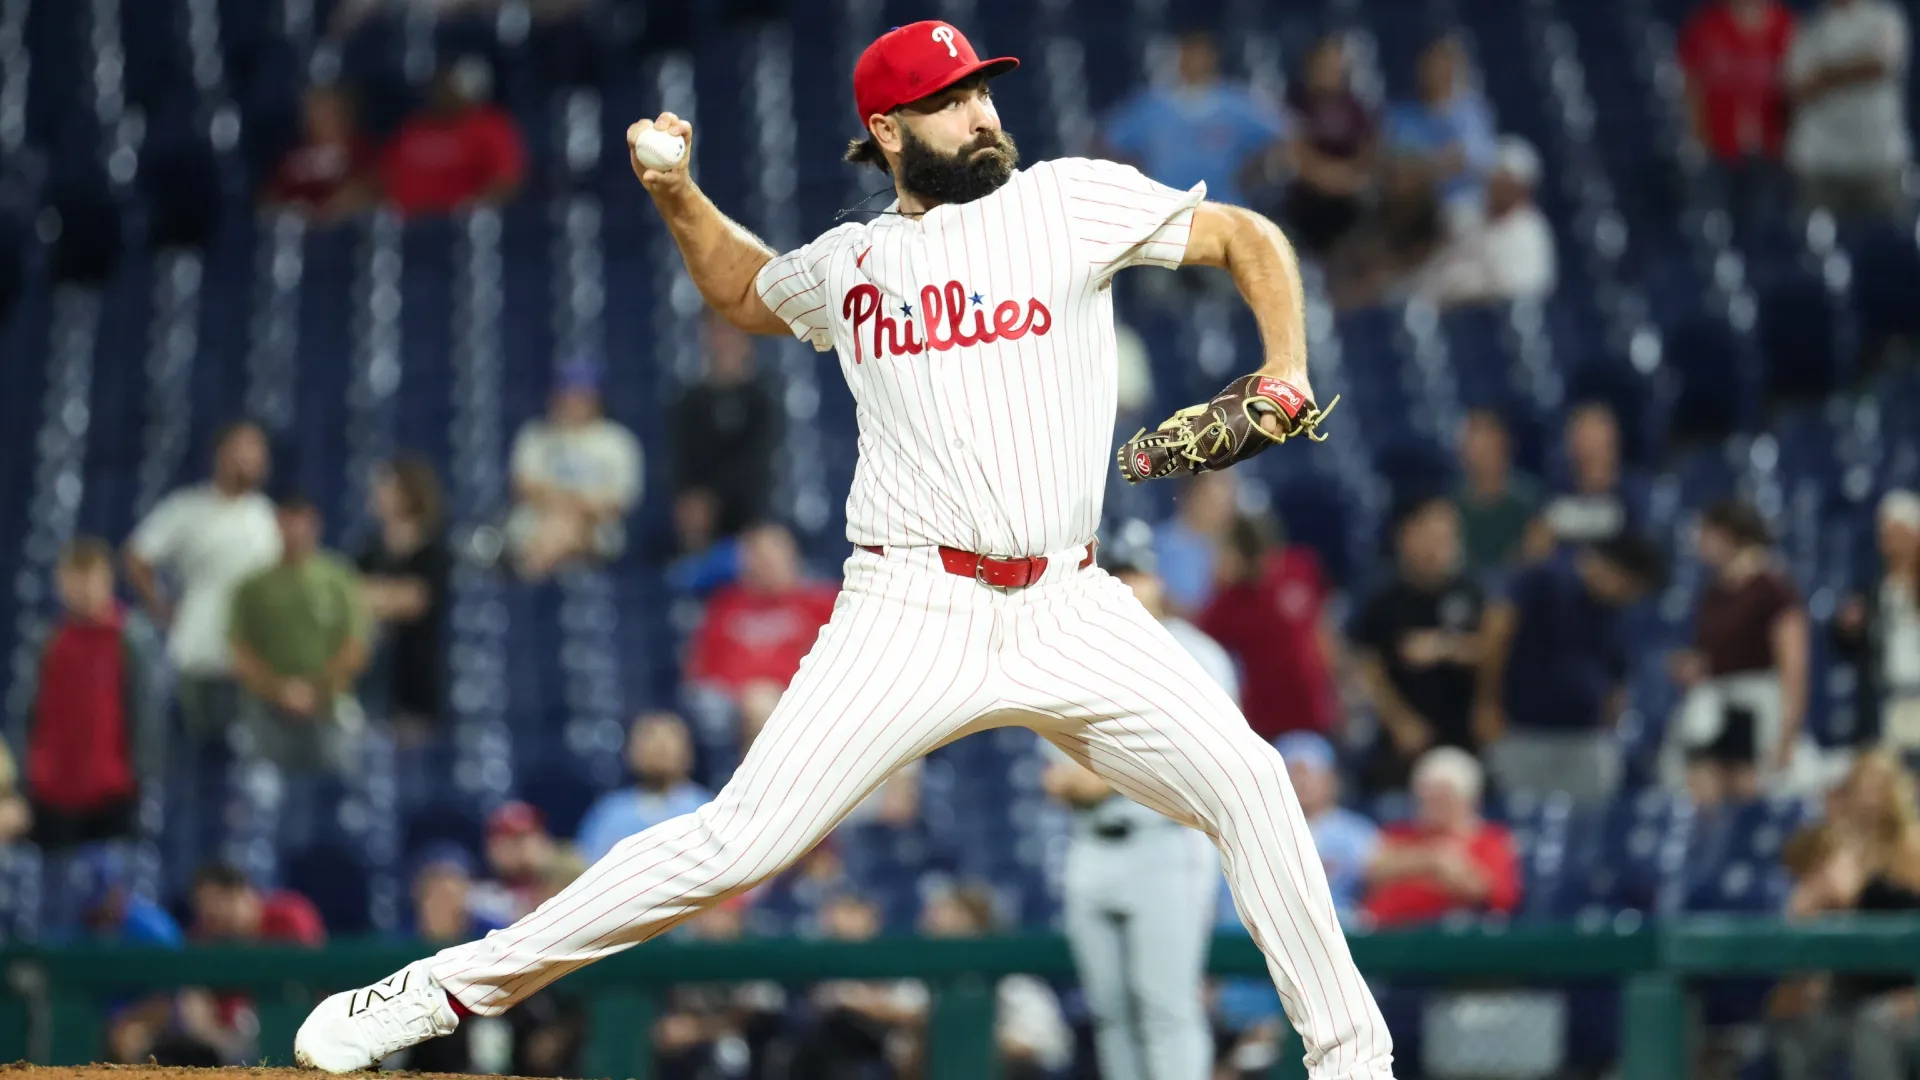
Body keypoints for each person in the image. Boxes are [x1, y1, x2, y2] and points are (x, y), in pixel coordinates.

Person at [294, 22, 1394, 1078]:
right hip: (914, 606)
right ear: (889, 135)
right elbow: (742, 288)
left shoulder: (1069, 199)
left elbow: (1248, 234)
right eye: (947, 101)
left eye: (979, 89)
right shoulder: (853, 264)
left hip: (1071, 599)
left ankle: (1356, 1064)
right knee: (734, 845)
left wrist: (1284, 367)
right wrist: (677, 194)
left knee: (1253, 784)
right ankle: (438, 991)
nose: (978, 111)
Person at [1043, 533, 1234, 1080]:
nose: (1124, 585)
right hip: (1091, 847)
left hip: (1165, 843)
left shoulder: (1196, 654)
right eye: (1113, 572)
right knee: (1111, 1015)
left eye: (1135, 574)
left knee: (1166, 1010)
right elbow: (1056, 777)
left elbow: (1201, 758)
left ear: (1158, 582)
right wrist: (1108, 770)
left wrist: (1101, 773)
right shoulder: (1069, 652)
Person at [1216, 732, 1381, 1074]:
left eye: (1309, 771)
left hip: (1319, 963)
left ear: (1330, 778)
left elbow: (1382, 880)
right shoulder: (1252, 829)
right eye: (1293, 771)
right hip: (1246, 965)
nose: (1301, 780)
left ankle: (1256, 1046)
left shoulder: (1355, 832)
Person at [1476, 532, 1667, 801]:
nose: (1631, 597)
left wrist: (1613, 706)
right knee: (1518, 818)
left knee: (1587, 829)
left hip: (1586, 737)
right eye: (1630, 587)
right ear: (1615, 570)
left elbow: (1617, 669)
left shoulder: (1615, 610)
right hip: (1524, 731)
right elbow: (1496, 633)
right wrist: (1486, 703)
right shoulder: (1543, 578)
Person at [125, 420, 281, 747]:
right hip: (200, 658)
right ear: (221, 455)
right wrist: (160, 606)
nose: (252, 458)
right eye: (244, 449)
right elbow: (137, 555)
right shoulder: (188, 508)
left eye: (258, 451)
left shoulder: (266, 517)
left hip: (253, 665)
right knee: (196, 757)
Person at [1772, 753, 1920, 1080]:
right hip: (1850, 991)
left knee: (1874, 1025)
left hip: (1907, 991)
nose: (1871, 798)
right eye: (1863, 787)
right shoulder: (1834, 847)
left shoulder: (1913, 847)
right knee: (1797, 1026)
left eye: (1880, 787)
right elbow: (1798, 913)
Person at [1666, 499, 1811, 805]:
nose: (1699, 542)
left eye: (1706, 533)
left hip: (1758, 711)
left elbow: (1794, 664)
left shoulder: (1773, 590)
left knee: (1750, 795)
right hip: (1715, 710)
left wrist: (1788, 734)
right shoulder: (1713, 592)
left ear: (1728, 534)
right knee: (1702, 793)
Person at [23, 537, 161, 850]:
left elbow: (146, 711)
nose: (83, 591)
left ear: (108, 582)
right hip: (53, 790)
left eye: (91, 581)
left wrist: (140, 777)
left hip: (111, 792)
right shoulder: (47, 639)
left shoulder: (131, 637)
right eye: (74, 581)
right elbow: (31, 711)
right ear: (60, 584)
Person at [228, 493, 372, 779]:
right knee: (263, 793)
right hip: (267, 711)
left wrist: (315, 691)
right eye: (288, 521)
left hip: (329, 709)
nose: (295, 530)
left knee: (338, 791)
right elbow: (240, 653)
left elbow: (355, 647)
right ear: (277, 525)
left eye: (302, 521)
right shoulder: (252, 587)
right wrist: (281, 691)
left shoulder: (339, 579)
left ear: (315, 525)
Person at [1352, 497, 1488, 793]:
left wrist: (1445, 647)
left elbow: (1493, 652)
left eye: (1446, 538)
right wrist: (1400, 722)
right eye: (1429, 537)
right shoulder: (1382, 598)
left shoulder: (1472, 591)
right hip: (1401, 738)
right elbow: (1366, 666)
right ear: (1407, 537)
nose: (1437, 548)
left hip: (1462, 733)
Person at [683, 523, 838, 745]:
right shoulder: (726, 606)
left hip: (808, 700)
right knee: (759, 703)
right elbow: (702, 672)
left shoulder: (822, 602)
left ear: (791, 556)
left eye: (774, 555)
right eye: (759, 556)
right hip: (738, 710)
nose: (768, 564)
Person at [1104, 30, 1285, 209]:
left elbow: (1281, 136)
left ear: (1213, 59)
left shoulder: (1237, 104)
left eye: (1201, 55)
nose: (1195, 61)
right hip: (1165, 211)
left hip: (1224, 208)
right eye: (1189, 54)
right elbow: (1111, 143)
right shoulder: (1151, 106)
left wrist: (1252, 175)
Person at [1198, 514, 1340, 740]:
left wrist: (1339, 690)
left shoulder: (1300, 566)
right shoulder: (1225, 603)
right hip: (1263, 724)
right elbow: (1200, 649)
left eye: (1225, 551)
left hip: (1315, 712)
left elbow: (1323, 631)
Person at [506, 357, 644, 580]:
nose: (572, 401)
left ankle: (532, 575)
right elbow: (523, 487)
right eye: (567, 393)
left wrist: (570, 509)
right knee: (553, 528)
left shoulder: (617, 441)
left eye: (580, 394)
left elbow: (619, 501)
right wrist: (569, 507)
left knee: (563, 530)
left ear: (596, 399)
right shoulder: (535, 435)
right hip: (538, 523)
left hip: (595, 528)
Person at [915, 884, 1072, 1080]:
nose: (934, 923)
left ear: (977, 925)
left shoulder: (1016, 984)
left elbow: (1051, 1051)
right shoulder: (921, 983)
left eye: (955, 921)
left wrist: (980, 1041)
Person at [1362, 746, 1519, 927]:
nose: (1433, 804)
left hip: (1452, 938)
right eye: (1427, 796)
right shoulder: (1400, 833)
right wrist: (1434, 862)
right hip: (1385, 930)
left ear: (1469, 799)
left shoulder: (1490, 840)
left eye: (1444, 797)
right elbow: (1373, 872)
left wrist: (1407, 870)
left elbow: (1491, 893)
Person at [1784, 0, 1912, 220]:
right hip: (1821, 163)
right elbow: (1800, 88)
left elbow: (1879, 65)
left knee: (1887, 245)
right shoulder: (1811, 27)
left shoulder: (1884, 18)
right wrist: (1853, 67)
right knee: (1816, 245)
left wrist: (1826, 74)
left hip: (1878, 160)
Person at [356, 456, 451, 744]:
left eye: (386, 487)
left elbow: (414, 601)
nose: (377, 494)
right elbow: (348, 599)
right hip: (371, 686)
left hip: (416, 690)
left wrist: (375, 596)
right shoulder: (368, 554)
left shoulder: (433, 554)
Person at [1677, 0, 1797, 227]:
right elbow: (1692, 88)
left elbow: (1797, 91)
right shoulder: (1707, 28)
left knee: (1766, 228)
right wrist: (1699, 137)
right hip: (1719, 151)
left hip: (1771, 153)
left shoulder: (1786, 27)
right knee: (1716, 223)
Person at [669, 315, 783, 552]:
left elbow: (759, 466)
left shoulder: (762, 400)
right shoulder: (688, 402)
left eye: (731, 332)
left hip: (751, 519)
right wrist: (692, 504)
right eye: (717, 333)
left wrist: (714, 500)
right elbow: (683, 465)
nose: (724, 342)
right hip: (701, 527)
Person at [1413, 136, 1557, 307]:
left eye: (1506, 179)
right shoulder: (1464, 214)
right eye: (1495, 176)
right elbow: (1431, 266)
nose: (1498, 185)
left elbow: (1521, 291)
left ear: (1523, 187)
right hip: (1437, 308)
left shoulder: (1531, 232)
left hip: (1487, 318)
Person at [379, 57, 527, 217]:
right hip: (406, 223)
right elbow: (385, 176)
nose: (442, 90)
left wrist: (475, 208)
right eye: (441, 84)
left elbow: (506, 181)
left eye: (450, 84)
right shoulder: (415, 127)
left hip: (458, 224)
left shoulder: (491, 127)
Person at [1273, 34, 1377, 256]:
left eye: (1336, 65)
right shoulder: (1294, 103)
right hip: (1306, 194)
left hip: (1349, 193)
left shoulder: (1356, 107)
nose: (1332, 71)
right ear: (1311, 67)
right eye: (1326, 64)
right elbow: (1295, 153)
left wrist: (1348, 178)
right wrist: (1330, 178)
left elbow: (1368, 154)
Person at [1834, 490, 1920, 756]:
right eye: (1885, 535)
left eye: (1898, 533)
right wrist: (1848, 627)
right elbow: (1849, 644)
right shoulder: (1872, 592)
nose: (1890, 543)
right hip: (1888, 701)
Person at [1383, 36, 1497, 224]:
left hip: (1466, 206)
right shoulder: (1400, 115)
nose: (1435, 71)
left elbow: (1478, 160)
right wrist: (1438, 164)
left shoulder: (1472, 111)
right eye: (1430, 64)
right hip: (1417, 208)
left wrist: (1424, 166)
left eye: (1443, 64)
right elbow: (1398, 168)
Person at [573, 712, 712, 864]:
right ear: (630, 751)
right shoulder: (609, 812)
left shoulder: (708, 810)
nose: (660, 745)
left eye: (670, 737)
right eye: (649, 736)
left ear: (688, 751)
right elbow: (585, 867)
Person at [263, 85, 378, 222]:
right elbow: (269, 200)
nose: (324, 117)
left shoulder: (359, 152)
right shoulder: (292, 158)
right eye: (317, 109)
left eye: (331, 110)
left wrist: (325, 212)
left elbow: (368, 192)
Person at [1451, 408, 1544, 576]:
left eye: (1487, 448)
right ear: (1461, 455)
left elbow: (1537, 555)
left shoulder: (1530, 498)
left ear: (1504, 448)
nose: (1481, 457)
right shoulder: (1449, 505)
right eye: (1473, 448)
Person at [1539, 401, 1643, 550]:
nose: (1591, 450)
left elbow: (1642, 559)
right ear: (1571, 449)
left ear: (1614, 446)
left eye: (1598, 444)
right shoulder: (1553, 495)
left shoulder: (1636, 496)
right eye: (1584, 441)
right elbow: (1536, 552)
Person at [1154, 470, 1240, 615]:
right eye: (1212, 500)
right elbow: (1168, 607)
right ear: (1191, 496)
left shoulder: (1235, 550)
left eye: (1227, 500)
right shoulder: (1162, 544)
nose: (1222, 508)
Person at [469, 800, 560, 925]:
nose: (513, 849)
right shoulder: (479, 899)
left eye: (521, 839)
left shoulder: (565, 881)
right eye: (504, 840)